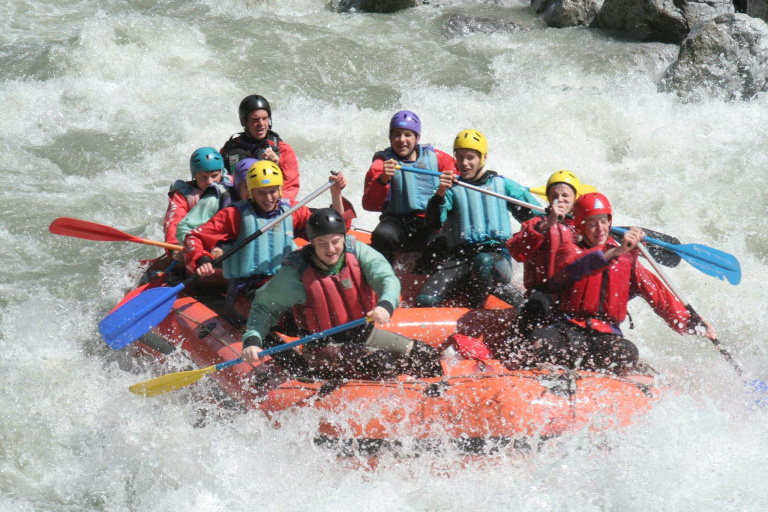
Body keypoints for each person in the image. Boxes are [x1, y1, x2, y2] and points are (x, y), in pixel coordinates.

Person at [240, 208, 443, 380]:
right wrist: (252, 340)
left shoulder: (358, 252)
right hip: (322, 345)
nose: (330, 249)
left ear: (344, 238)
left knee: (425, 354)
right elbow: (263, 308)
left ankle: (438, 402)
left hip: (364, 334)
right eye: (322, 243)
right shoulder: (295, 275)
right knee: (381, 363)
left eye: (335, 241)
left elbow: (386, 279)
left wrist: (386, 304)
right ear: (312, 243)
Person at [527, 192, 716, 374]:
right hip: (569, 329)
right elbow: (579, 265)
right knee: (540, 340)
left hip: (606, 336)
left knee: (628, 353)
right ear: (580, 226)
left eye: (604, 222)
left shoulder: (626, 260)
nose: (600, 229)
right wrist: (616, 252)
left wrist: (692, 323)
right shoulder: (568, 250)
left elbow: (657, 294)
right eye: (592, 224)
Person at [183, 162, 347, 313]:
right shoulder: (234, 214)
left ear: (280, 190)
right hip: (246, 289)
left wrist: (336, 195)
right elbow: (193, 237)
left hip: (285, 282)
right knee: (280, 310)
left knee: (321, 305)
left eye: (272, 191)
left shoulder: (292, 211)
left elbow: (332, 230)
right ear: (251, 191)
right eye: (261, 193)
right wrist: (202, 260)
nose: (268, 198)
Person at [415, 129, 541, 308]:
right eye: (460, 158)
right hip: (461, 258)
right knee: (426, 300)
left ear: (483, 157)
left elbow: (534, 218)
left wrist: (551, 218)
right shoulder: (450, 189)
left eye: (470, 157)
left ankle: (475, 308)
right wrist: (440, 193)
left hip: (496, 258)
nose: (464, 163)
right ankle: (471, 288)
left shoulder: (502, 185)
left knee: (483, 261)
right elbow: (433, 223)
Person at [506, 170, 597, 345]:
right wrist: (548, 225)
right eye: (555, 195)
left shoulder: (584, 227)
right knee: (535, 306)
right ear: (548, 199)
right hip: (544, 290)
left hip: (574, 292)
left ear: (576, 198)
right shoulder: (537, 222)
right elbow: (516, 251)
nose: (560, 199)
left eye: (565, 195)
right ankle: (517, 347)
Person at [361, 110, 456, 266]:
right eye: (397, 134)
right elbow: (370, 204)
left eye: (407, 135)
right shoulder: (382, 163)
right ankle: (384, 274)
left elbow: (464, 178)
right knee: (382, 235)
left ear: (417, 138)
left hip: (430, 223)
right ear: (390, 137)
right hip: (397, 223)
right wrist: (383, 179)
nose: (401, 140)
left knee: (445, 240)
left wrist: (480, 175)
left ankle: (426, 274)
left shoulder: (438, 158)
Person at [219, 94, 300, 202]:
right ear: (244, 122)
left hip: (271, 205)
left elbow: (291, 187)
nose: (261, 124)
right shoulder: (229, 150)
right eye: (255, 119)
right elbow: (216, 180)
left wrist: (278, 166)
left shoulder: (283, 150)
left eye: (264, 118)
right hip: (238, 207)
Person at [175, 158, 255, 246]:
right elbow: (185, 228)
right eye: (246, 186)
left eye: (259, 188)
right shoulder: (215, 198)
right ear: (237, 187)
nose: (253, 193)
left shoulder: (268, 201)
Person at [163, 147, 227, 259]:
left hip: (222, 244)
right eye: (203, 177)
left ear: (221, 172)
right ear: (194, 176)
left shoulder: (232, 185)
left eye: (214, 176)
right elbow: (173, 223)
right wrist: (175, 247)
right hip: (193, 243)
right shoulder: (183, 194)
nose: (209, 182)